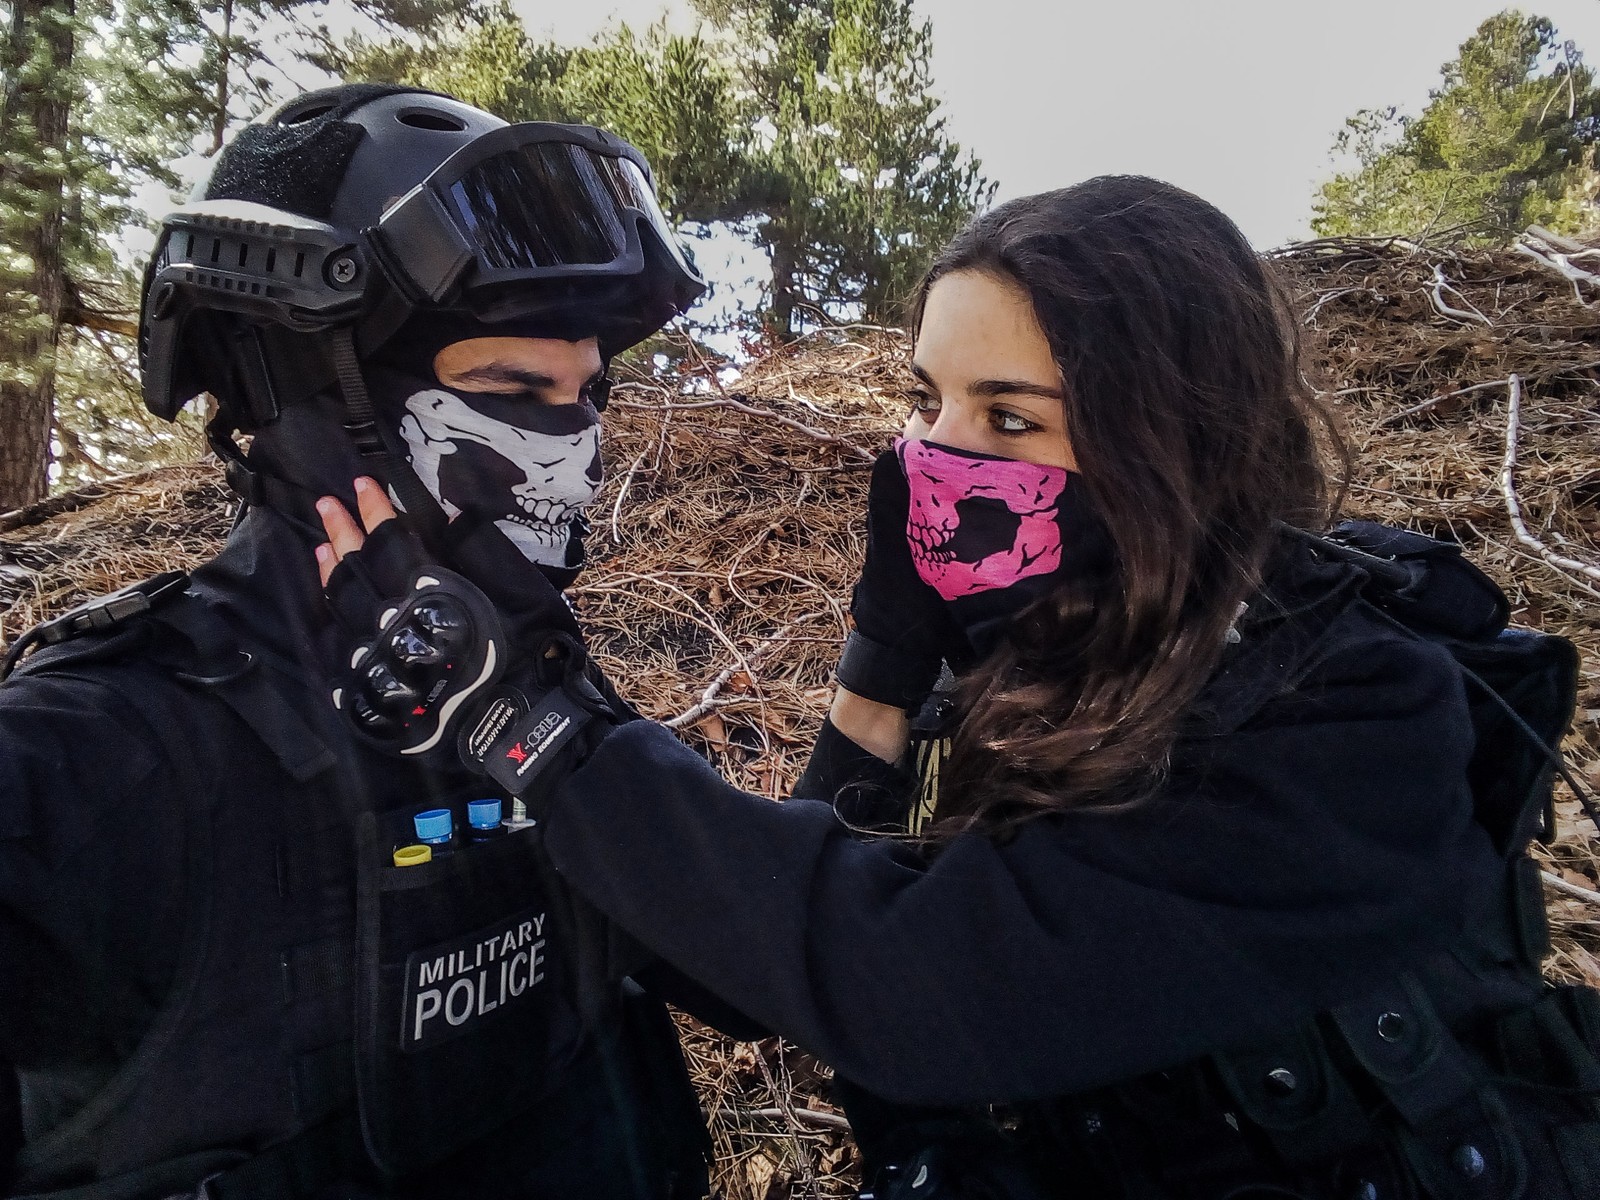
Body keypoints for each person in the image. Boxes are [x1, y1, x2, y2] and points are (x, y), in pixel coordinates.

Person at [312, 177, 1600, 1198]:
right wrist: (888, 658)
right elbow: (765, 959)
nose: (939, 456)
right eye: (930, 402)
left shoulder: (1353, 720)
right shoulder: (1040, 673)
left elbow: (911, 988)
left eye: (1012, 417)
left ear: (1178, 439)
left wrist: (529, 734)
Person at [0, 84, 714, 1199]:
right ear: (310, 402)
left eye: (589, 394)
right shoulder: (111, 747)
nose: (576, 451)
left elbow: (760, 952)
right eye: (516, 389)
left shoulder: (518, 676)